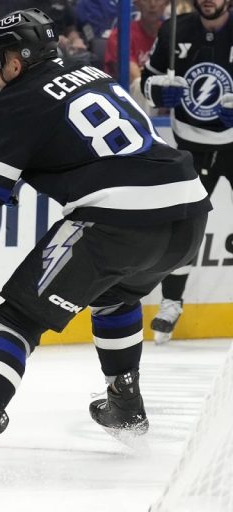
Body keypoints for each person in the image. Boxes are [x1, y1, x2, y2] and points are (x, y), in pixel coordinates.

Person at [0, 8, 210, 476]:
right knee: (115, 292)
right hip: (188, 213)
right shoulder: (92, 74)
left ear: (19, 59)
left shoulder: (13, 103)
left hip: (117, 220)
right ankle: (125, 402)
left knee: (16, 318)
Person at [141, 0, 233, 344]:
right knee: (182, 226)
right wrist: (156, 90)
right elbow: (149, 78)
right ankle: (171, 302)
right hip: (189, 144)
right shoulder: (175, 29)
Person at [103, 0, 167, 114]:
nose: (152, 4)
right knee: (141, 85)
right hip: (123, 102)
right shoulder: (120, 35)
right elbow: (134, 76)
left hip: (163, 96)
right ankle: (144, 131)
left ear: (167, 3)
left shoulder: (172, 34)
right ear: (137, 3)